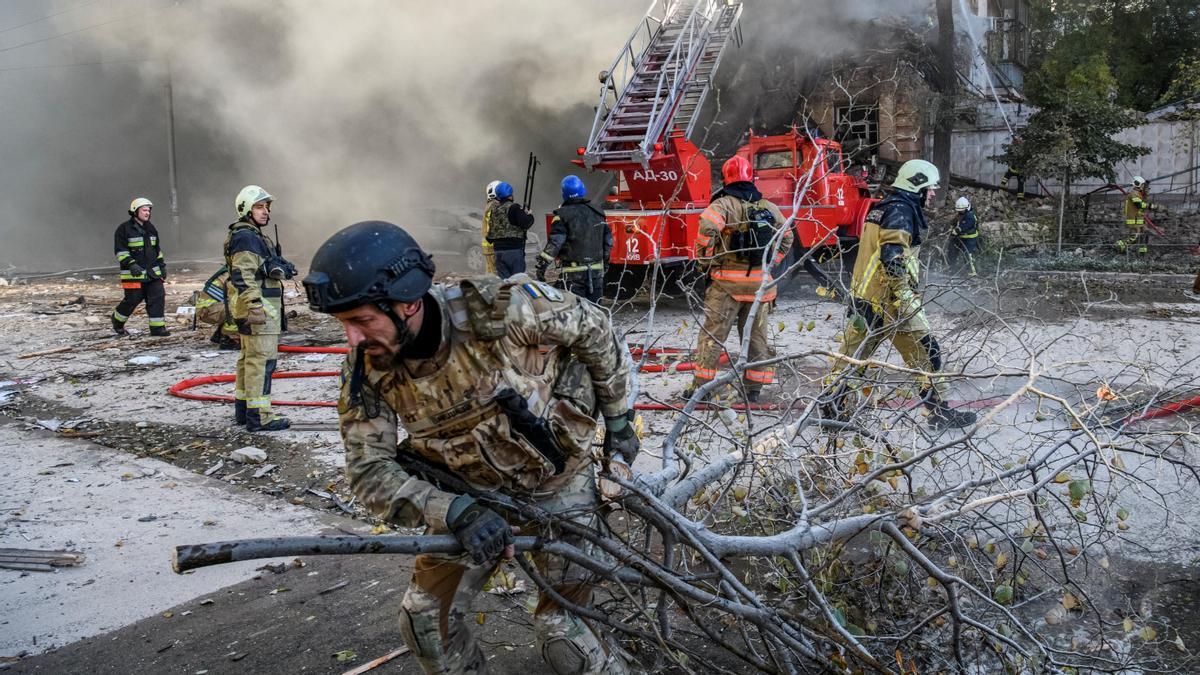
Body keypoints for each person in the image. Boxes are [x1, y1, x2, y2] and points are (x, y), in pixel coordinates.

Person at [301, 221, 638, 675]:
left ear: (408, 303)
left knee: (563, 633)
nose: (353, 340)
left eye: (361, 321)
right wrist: (453, 511)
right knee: (424, 624)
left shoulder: (504, 312)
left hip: (557, 484)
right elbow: (368, 470)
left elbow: (597, 331)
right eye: (345, 324)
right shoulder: (368, 371)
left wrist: (619, 425)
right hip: (468, 500)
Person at [827, 159, 977, 429]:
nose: (932, 193)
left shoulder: (883, 208)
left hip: (866, 299)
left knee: (852, 358)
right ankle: (939, 413)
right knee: (927, 352)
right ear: (917, 184)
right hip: (890, 301)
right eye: (929, 188)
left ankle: (831, 411)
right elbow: (892, 258)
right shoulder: (901, 212)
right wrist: (906, 298)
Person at [685, 155, 793, 403]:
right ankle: (754, 390)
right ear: (750, 177)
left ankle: (702, 389)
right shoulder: (768, 207)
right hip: (761, 288)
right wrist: (771, 263)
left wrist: (706, 260)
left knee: (712, 337)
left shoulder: (723, 205)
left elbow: (707, 229)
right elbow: (787, 237)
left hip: (726, 287)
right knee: (756, 339)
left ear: (726, 179)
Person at [224, 185, 295, 432]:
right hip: (260, 309)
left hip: (253, 307)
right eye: (258, 207)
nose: (265, 212)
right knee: (261, 363)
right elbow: (242, 273)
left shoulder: (252, 234)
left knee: (248, 359)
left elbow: (254, 269)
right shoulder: (247, 236)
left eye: (266, 207)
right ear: (245, 209)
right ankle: (260, 417)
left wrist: (278, 266)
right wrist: (255, 305)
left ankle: (244, 412)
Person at [536, 175, 611, 304]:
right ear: (583, 189)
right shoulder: (598, 213)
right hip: (596, 273)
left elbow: (555, 243)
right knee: (595, 313)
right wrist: (606, 262)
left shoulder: (562, 215)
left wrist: (542, 265)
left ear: (564, 194)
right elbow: (608, 241)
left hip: (573, 275)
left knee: (576, 313)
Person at [112, 197, 169, 336]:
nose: (147, 213)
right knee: (132, 300)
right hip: (133, 274)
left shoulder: (151, 228)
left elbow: (157, 250)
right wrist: (131, 264)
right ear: (135, 211)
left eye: (149, 210)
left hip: (152, 273)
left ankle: (157, 328)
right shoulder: (123, 229)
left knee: (158, 297)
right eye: (144, 210)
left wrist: (162, 266)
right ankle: (117, 320)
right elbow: (120, 251)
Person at [484, 180, 535, 278]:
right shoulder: (514, 208)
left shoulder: (494, 210)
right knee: (517, 282)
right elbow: (526, 223)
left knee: (505, 285)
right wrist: (529, 215)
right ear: (510, 194)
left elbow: (490, 234)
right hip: (513, 251)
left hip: (498, 252)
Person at [192, 266, 240, 350]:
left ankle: (219, 334)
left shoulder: (232, 269)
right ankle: (229, 339)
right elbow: (239, 296)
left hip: (210, 309)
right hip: (208, 311)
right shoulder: (234, 274)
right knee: (241, 308)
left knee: (234, 305)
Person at [1116, 176, 1164, 255]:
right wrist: (1154, 207)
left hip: (1139, 220)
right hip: (1133, 220)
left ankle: (1142, 253)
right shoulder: (1133, 195)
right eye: (1143, 185)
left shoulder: (1138, 194)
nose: (1144, 187)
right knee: (1134, 237)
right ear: (1140, 185)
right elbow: (1140, 204)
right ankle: (1121, 244)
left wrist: (1146, 188)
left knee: (1144, 235)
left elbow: (1143, 198)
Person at [948, 196, 980, 277]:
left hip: (970, 238)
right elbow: (956, 221)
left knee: (968, 254)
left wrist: (956, 230)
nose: (959, 212)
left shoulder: (970, 216)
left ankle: (972, 271)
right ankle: (951, 268)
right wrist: (952, 226)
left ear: (966, 208)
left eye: (961, 210)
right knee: (952, 249)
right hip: (961, 237)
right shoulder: (961, 213)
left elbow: (965, 226)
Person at [481, 180, 500, 274]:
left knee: (490, 270)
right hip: (494, 245)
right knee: (495, 272)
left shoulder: (489, 205)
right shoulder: (494, 206)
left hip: (489, 245)